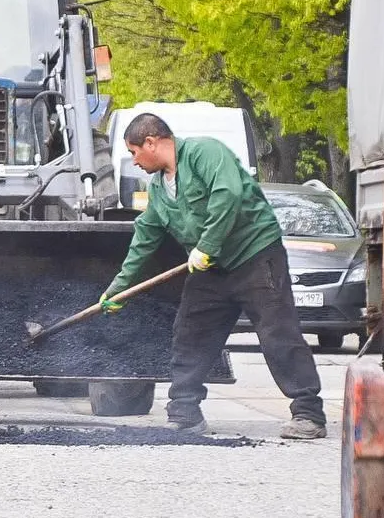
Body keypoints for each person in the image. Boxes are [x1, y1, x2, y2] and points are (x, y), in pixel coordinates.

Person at [100, 113, 327, 440]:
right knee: (189, 333)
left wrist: (206, 245)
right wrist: (118, 290)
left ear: (151, 142)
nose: (133, 161)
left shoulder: (205, 153)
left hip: (255, 256)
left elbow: (228, 195)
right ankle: (184, 413)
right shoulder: (160, 191)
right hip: (211, 269)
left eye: (134, 151)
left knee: (279, 334)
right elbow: (144, 239)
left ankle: (308, 414)